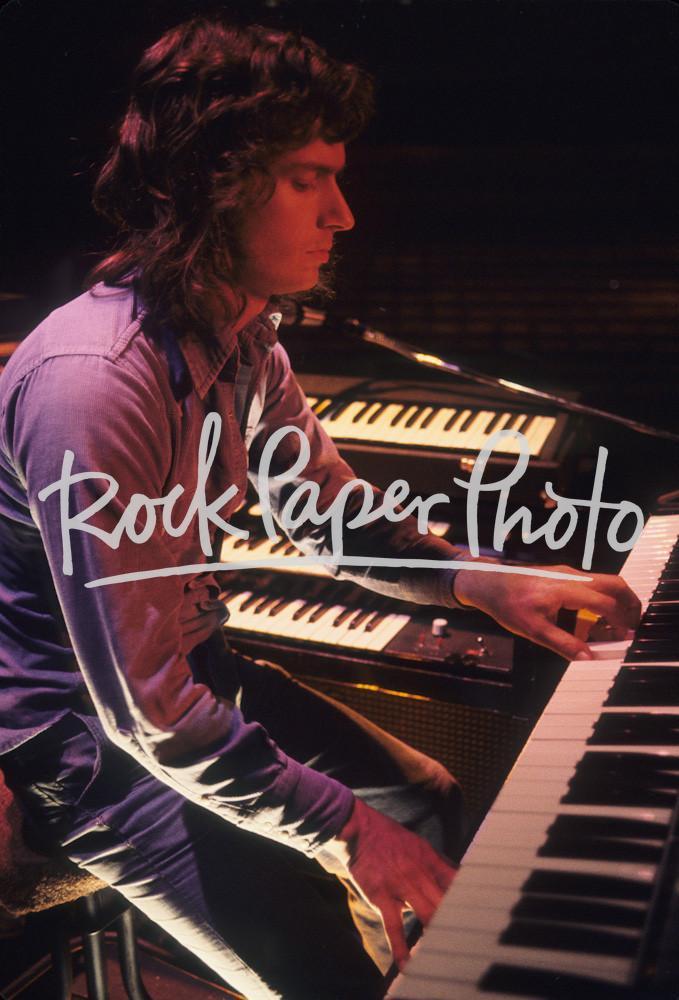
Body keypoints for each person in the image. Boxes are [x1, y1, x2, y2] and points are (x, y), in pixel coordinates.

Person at [0, 16, 640, 1000]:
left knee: (426, 799)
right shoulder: (93, 383)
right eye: (309, 179)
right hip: (83, 746)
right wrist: (344, 830)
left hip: (189, 673)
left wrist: (481, 580)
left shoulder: (242, 337)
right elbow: (144, 711)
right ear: (213, 184)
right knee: (326, 972)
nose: (343, 214)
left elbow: (330, 514)